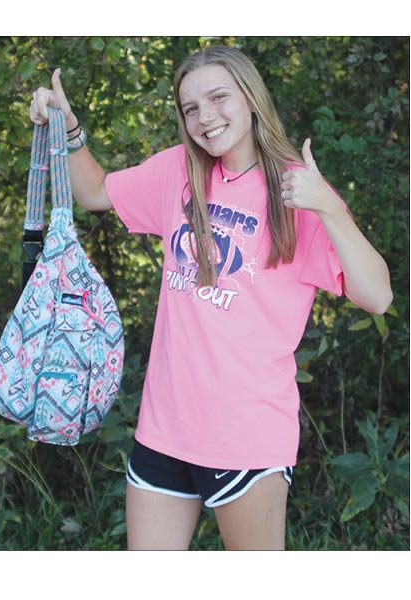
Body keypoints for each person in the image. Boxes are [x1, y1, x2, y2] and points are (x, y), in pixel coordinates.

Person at [29, 45, 392, 550]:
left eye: (218, 97)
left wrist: (328, 206)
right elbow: (94, 193)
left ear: (249, 96)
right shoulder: (179, 169)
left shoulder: (298, 190)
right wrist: (67, 129)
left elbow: (376, 295)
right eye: (191, 108)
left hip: (245, 436)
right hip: (163, 431)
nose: (206, 117)